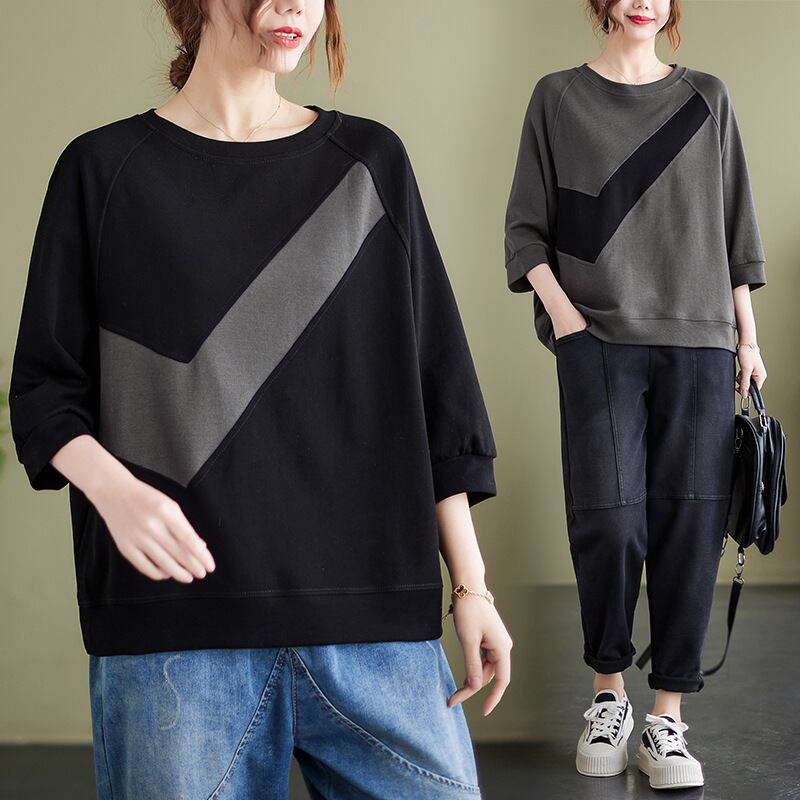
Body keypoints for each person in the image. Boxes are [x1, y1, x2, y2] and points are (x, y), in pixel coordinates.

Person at [8, 1, 513, 797]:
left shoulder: (369, 164)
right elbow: (43, 391)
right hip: (175, 643)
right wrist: (115, 490)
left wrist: (471, 587)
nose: (296, 7)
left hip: (375, 631)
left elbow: (438, 392)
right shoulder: (103, 171)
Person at [503, 0, 767, 790]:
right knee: (608, 521)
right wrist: (566, 318)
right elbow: (525, 229)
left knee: (691, 527)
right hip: (597, 341)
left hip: (701, 341)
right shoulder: (557, 97)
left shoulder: (706, 97)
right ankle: (608, 696)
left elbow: (736, 231)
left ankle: (667, 720)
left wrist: (749, 341)